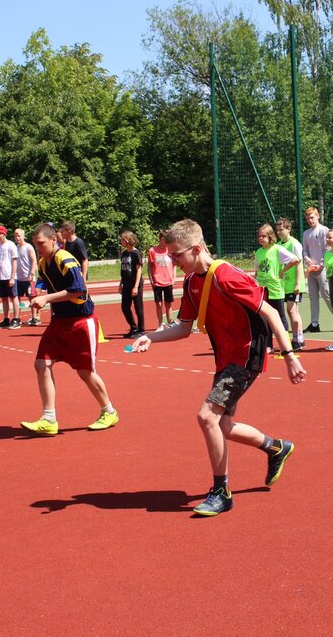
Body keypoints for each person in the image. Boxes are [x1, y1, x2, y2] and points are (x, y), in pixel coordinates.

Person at [132, 219, 305, 517]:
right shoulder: (191, 282)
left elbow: (271, 312)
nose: (172, 262)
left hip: (245, 357)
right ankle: (276, 447)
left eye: (177, 256)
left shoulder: (226, 276)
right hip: (225, 359)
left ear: (196, 249)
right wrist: (151, 336)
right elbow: (183, 329)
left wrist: (289, 355)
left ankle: (221, 492)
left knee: (207, 417)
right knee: (223, 425)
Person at [20, 223, 120, 435]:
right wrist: (37, 291)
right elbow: (43, 281)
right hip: (59, 322)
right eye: (36, 244)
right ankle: (49, 419)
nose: (38, 248)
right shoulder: (43, 262)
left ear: (53, 240)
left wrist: (46, 298)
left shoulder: (65, 258)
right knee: (41, 364)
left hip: (81, 322)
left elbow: (78, 289)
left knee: (85, 372)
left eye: (41, 244)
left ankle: (109, 411)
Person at [253, 223, 299, 352]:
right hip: (263, 290)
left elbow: (295, 260)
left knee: (281, 317)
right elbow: (257, 271)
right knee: (265, 318)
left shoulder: (277, 249)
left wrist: (283, 271)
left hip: (275, 289)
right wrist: (254, 283)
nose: (261, 238)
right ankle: (268, 345)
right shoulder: (259, 252)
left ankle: (286, 344)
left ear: (270, 236)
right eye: (259, 236)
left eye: (264, 236)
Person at [276, 218, 306, 351]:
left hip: (293, 283)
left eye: (281, 229)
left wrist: (298, 284)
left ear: (288, 229)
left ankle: (297, 340)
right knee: (290, 311)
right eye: (277, 230)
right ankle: (298, 338)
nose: (278, 232)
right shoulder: (278, 245)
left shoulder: (295, 244)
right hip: (283, 284)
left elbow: (299, 264)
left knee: (292, 310)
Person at [301, 206, 333, 332]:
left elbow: (328, 249)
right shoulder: (306, 233)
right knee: (313, 296)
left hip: (322, 269)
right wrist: (306, 258)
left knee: (327, 294)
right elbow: (305, 250)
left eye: (312, 217)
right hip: (311, 270)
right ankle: (314, 324)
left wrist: (321, 264)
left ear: (318, 216)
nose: (310, 220)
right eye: (308, 218)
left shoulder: (324, 230)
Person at [147, 229, 177, 330]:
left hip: (168, 281)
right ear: (162, 239)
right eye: (167, 240)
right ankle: (160, 324)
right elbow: (149, 266)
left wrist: (174, 278)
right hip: (157, 282)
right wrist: (151, 280)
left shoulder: (170, 250)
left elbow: (174, 265)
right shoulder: (152, 251)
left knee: (168, 303)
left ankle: (169, 322)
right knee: (158, 303)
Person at [119, 230, 145, 338]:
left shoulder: (136, 253)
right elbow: (123, 269)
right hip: (126, 284)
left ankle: (141, 329)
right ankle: (133, 328)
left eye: (122, 239)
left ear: (128, 240)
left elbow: (139, 270)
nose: (121, 241)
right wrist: (120, 283)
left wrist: (136, 286)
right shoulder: (124, 253)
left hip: (135, 285)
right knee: (125, 307)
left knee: (138, 308)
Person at [0, 225, 18, 329]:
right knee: (4, 298)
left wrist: (12, 277)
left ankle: (16, 319)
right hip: (0, 277)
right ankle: (6, 318)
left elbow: (14, 261)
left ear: (4, 234)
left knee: (13, 297)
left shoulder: (11, 245)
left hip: (9, 276)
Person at [13, 228, 40, 326]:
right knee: (18, 299)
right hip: (18, 278)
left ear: (23, 236)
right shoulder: (15, 248)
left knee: (31, 298)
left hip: (29, 278)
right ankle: (18, 316)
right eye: (15, 236)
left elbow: (34, 260)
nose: (17, 238)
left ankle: (34, 317)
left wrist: (32, 273)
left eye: (19, 235)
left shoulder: (28, 247)